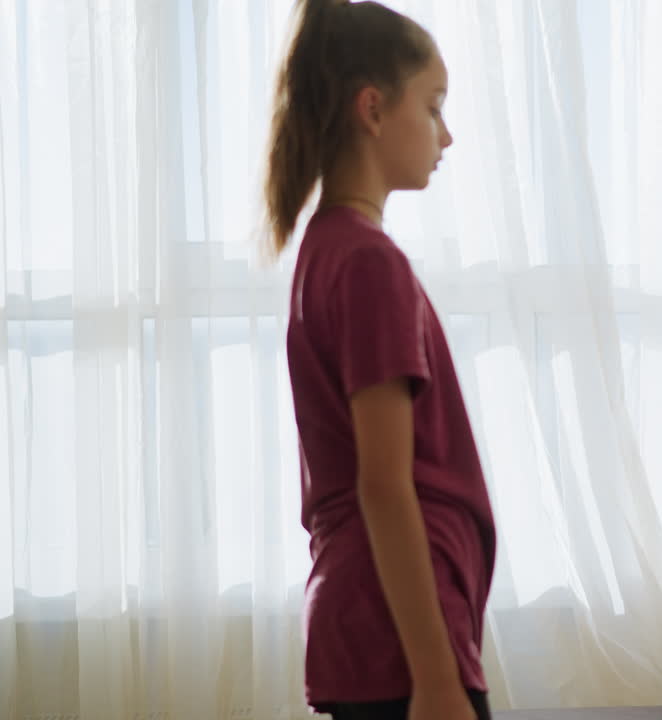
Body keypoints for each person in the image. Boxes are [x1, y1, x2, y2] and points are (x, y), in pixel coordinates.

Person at [263, 2, 493, 719]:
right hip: (397, 641)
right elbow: (386, 486)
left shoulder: (326, 250)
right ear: (372, 108)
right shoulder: (368, 264)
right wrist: (434, 677)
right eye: (432, 107)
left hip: (364, 621)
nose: (445, 134)